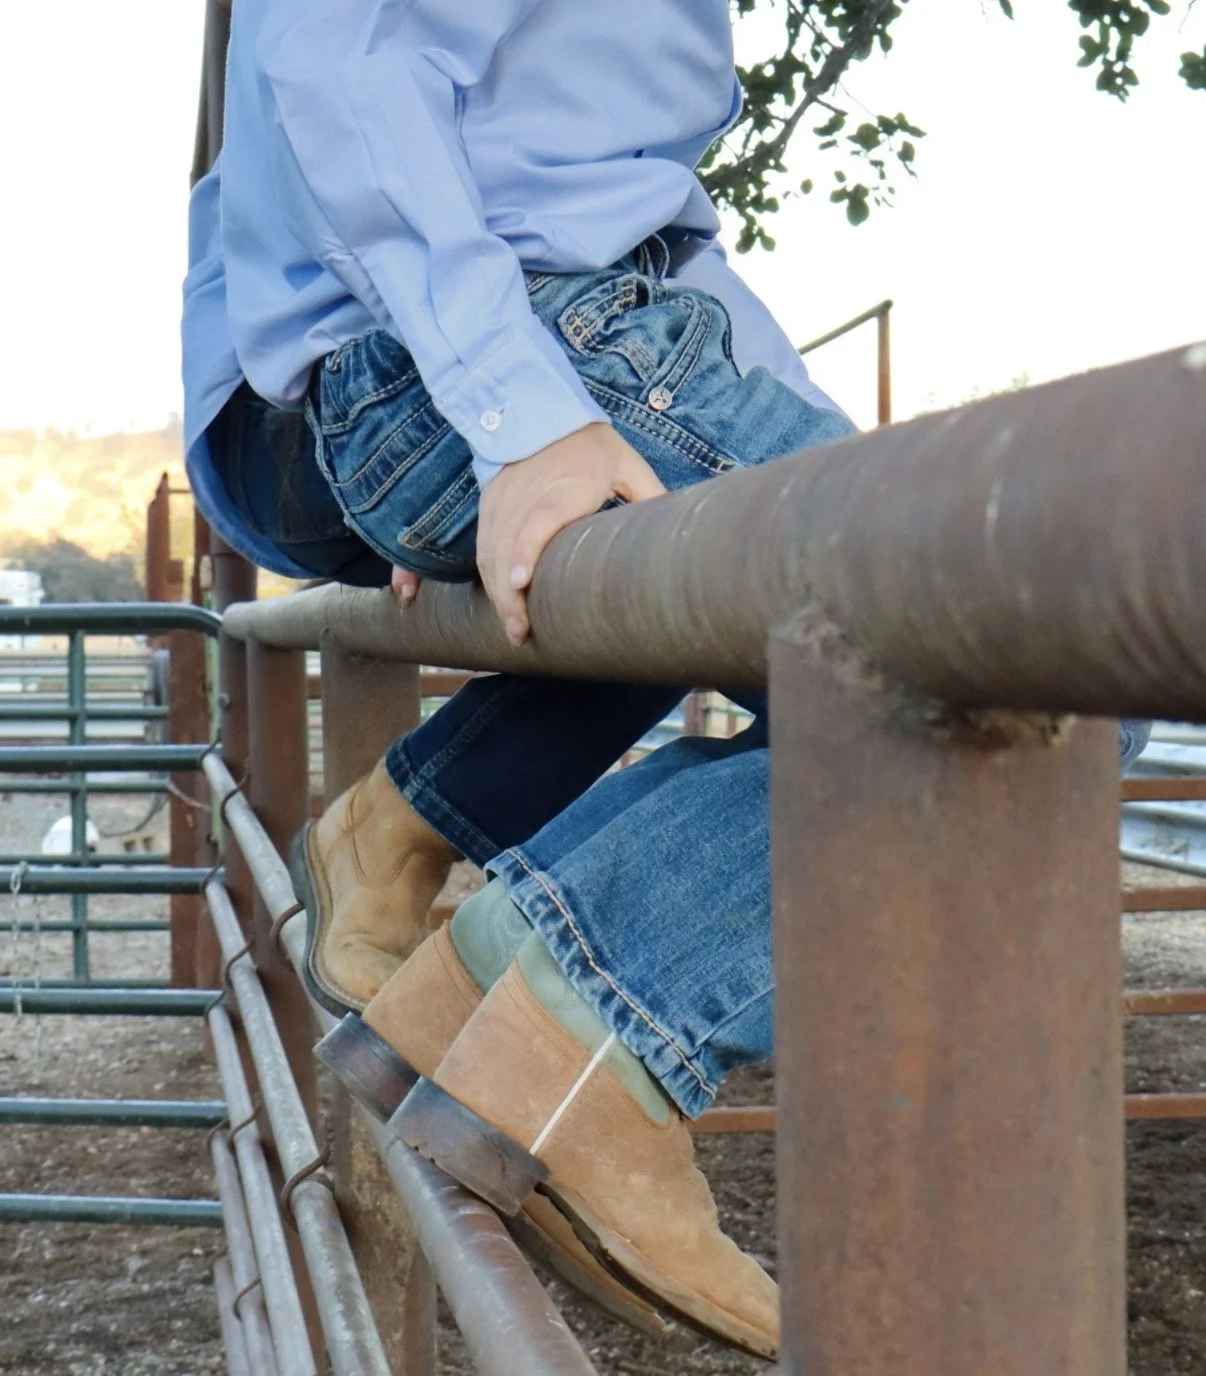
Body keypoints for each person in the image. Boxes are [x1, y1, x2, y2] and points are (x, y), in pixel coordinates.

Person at [183, 2, 1149, 1357]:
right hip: (527, 324)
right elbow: (341, 61)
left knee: (826, 621)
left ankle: (451, 916)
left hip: (518, 326)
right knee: (1037, 676)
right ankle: (581, 1034)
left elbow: (640, 217)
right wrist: (510, 408)